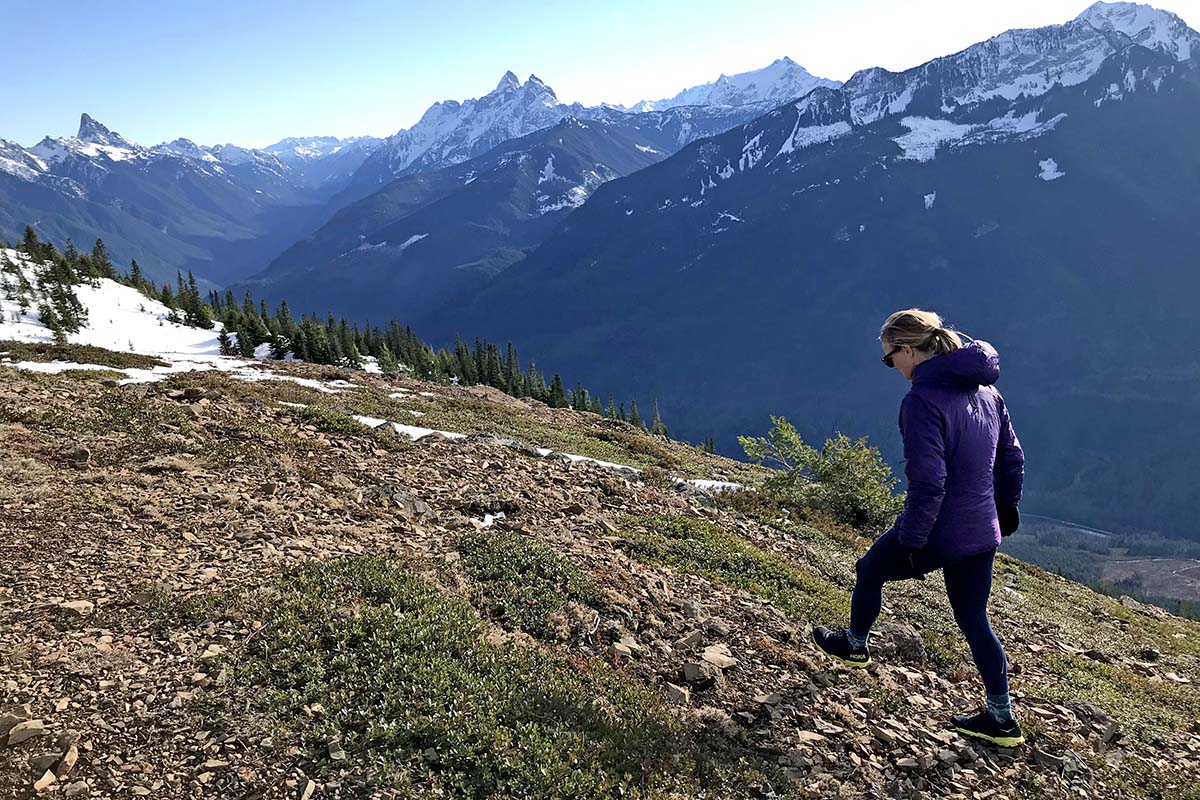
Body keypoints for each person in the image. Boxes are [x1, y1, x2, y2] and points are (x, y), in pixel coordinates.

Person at [812, 309, 1026, 747]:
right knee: (973, 619)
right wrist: (1004, 509)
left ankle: (855, 644)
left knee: (870, 569)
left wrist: (911, 541)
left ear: (908, 349)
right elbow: (1012, 460)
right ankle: (1001, 718)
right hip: (981, 530)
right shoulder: (988, 393)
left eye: (891, 358)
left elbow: (929, 483)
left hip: (938, 531)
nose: (893, 368)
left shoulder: (922, 401)